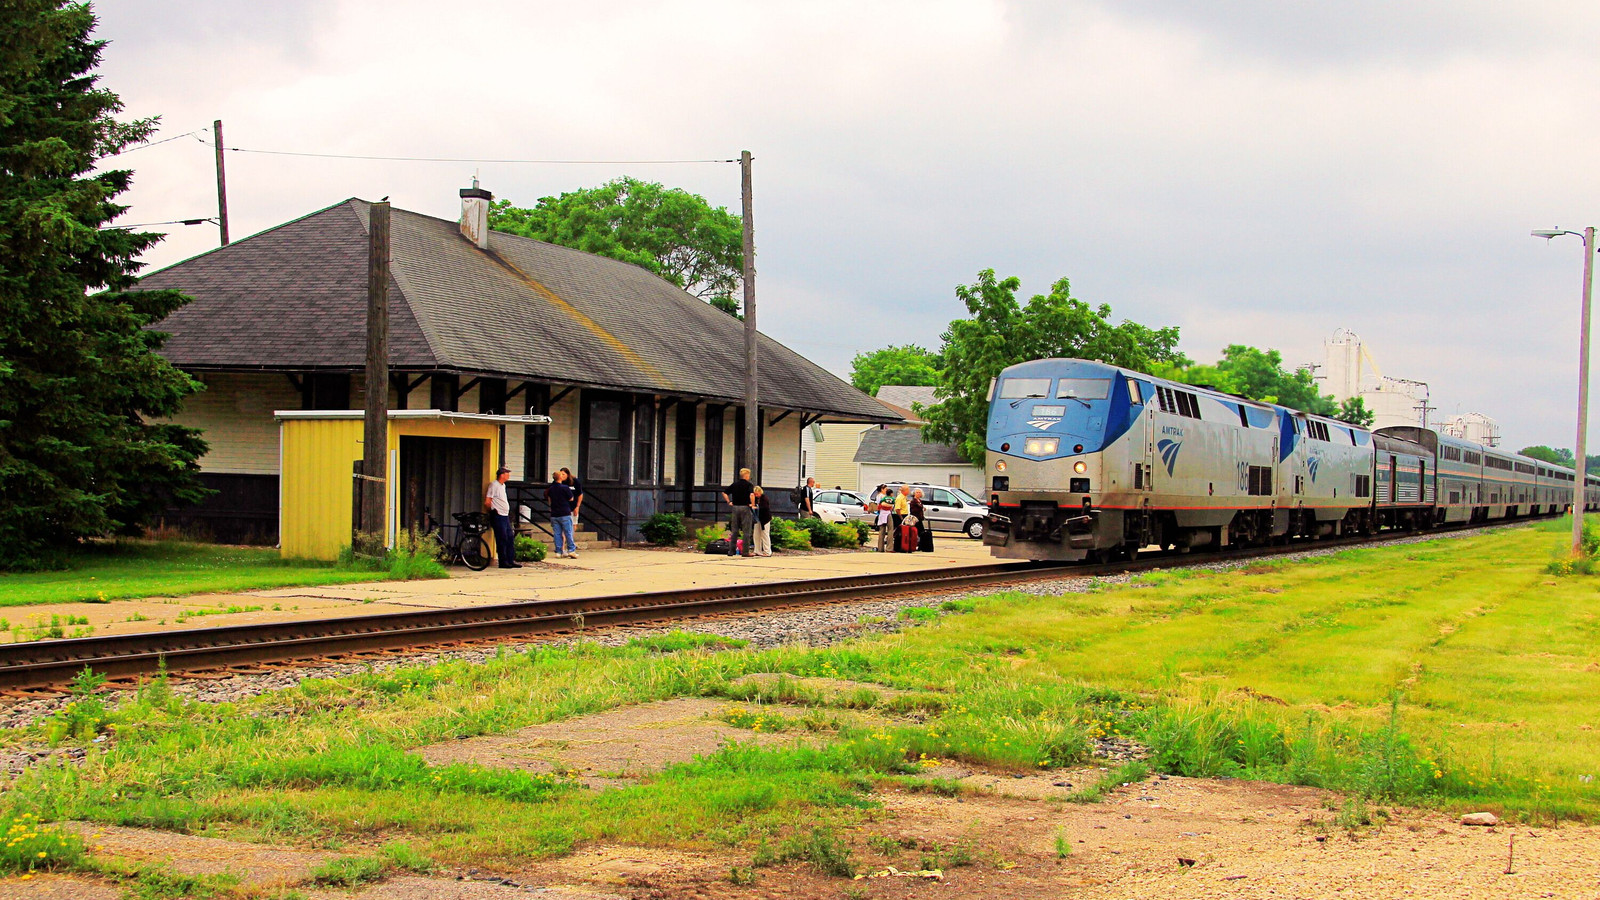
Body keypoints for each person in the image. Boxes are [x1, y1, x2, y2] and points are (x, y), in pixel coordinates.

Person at [484, 466, 520, 568]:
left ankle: (510, 560)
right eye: (507, 473)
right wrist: (493, 510)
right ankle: (503, 561)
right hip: (498, 515)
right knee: (502, 538)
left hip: (505, 515)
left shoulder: (502, 485)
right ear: (502, 475)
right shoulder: (494, 485)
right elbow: (487, 501)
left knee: (509, 537)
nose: (508, 476)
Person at [722, 467, 756, 557]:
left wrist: (729, 501)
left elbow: (724, 493)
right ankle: (745, 552)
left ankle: (731, 551)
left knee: (734, 530)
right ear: (746, 475)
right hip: (745, 507)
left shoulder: (734, 484)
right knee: (746, 530)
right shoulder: (749, 485)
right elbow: (752, 494)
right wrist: (752, 504)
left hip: (735, 507)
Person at [547, 469, 578, 559]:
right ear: (560, 477)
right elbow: (571, 498)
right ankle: (571, 550)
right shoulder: (564, 487)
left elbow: (549, 499)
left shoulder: (551, 489)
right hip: (564, 512)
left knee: (557, 533)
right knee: (568, 532)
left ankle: (559, 551)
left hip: (554, 513)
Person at [753, 485, 773, 557]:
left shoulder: (764, 498)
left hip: (765, 519)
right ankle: (757, 550)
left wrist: (757, 507)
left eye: (757, 493)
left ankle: (767, 551)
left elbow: (765, 507)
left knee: (765, 535)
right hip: (757, 519)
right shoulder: (755, 499)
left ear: (760, 492)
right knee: (756, 535)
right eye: (755, 494)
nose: (756, 495)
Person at [892, 484, 911, 553]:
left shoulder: (904, 497)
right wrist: (901, 518)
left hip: (905, 515)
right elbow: (897, 509)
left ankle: (902, 546)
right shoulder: (899, 498)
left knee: (904, 533)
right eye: (908, 489)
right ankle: (897, 547)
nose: (909, 491)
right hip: (899, 516)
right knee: (899, 532)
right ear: (904, 490)